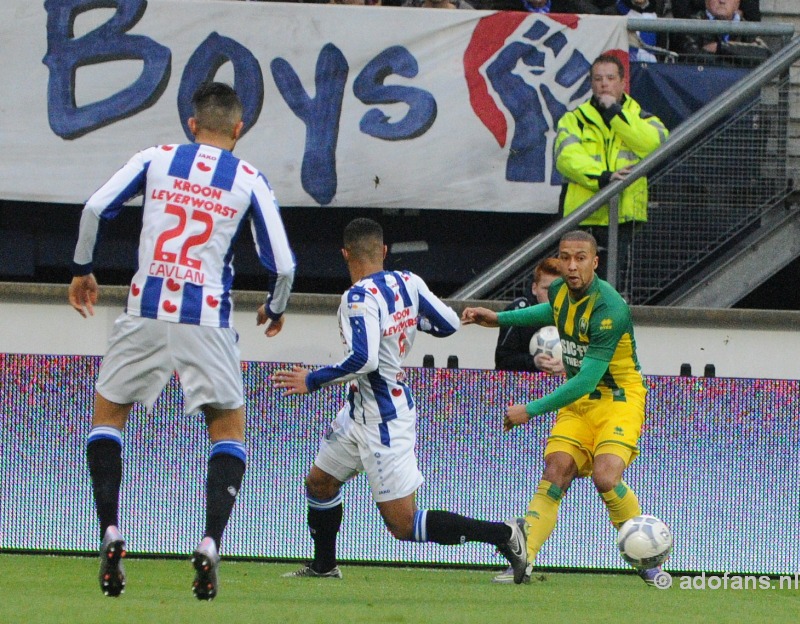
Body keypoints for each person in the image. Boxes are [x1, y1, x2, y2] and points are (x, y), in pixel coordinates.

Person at [68, 82, 296, 601]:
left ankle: (110, 530)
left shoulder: (157, 158)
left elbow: (93, 208)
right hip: (207, 318)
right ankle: (212, 540)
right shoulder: (247, 177)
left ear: (191, 125)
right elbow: (283, 263)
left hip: (144, 308)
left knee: (109, 417)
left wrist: (82, 269)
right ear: (238, 130)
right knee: (227, 429)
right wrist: (277, 306)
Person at [272, 218, 528, 584]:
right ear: (384, 251)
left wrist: (310, 380)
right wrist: (407, 321)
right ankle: (324, 566)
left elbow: (365, 360)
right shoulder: (408, 281)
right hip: (359, 411)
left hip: (384, 421)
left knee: (403, 525)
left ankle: (505, 534)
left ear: (344, 254)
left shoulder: (356, 298)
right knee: (320, 483)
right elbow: (448, 324)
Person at [462, 230, 662, 586]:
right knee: (556, 470)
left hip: (618, 400)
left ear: (595, 262)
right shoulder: (558, 291)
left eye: (580, 258)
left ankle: (648, 559)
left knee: (605, 477)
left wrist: (530, 409)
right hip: (578, 403)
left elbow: (586, 381)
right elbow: (551, 310)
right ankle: (523, 560)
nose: (572, 266)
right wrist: (497, 318)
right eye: (565, 257)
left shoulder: (609, 308)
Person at [554, 54, 668, 300]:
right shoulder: (574, 119)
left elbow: (655, 145)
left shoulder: (642, 117)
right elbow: (566, 158)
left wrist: (615, 114)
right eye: (598, 78)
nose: (604, 84)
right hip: (583, 215)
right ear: (591, 84)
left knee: (613, 292)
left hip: (624, 217)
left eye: (610, 78)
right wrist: (604, 178)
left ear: (622, 82)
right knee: (577, 288)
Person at [495, 258, 565, 375]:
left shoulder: (577, 314)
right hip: (522, 387)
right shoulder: (518, 311)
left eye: (558, 290)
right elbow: (502, 362)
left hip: (565, 387)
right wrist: (533, 362)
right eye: (547, 289)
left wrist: (571, 366)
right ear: (534, 288)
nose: (553, 295)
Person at [670, 0, 771, 63]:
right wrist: (738, 59)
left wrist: (720, 47)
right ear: (706, 1)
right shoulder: (690, 25)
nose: (722, 1)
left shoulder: (747, 28)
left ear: (738, 3)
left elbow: (765, 55)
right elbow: (691, 57)